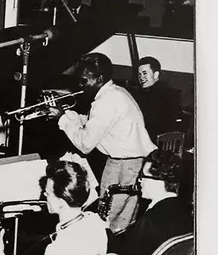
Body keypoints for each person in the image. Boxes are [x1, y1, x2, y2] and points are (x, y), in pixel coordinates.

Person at [50, 53, 156, 234]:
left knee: (109, 222)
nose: (80, 85)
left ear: (99, 79)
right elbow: (97, 124)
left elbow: (85, 144)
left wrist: (62, 119)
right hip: (132, 163)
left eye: (84, 81)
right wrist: (69, 116)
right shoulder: (116, 92)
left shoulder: (106, 101)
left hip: (123, 166)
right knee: (122, 222)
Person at [108, 149, 193, 255]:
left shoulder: (150, 220)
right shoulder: (184, 209)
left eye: (143, 176)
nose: (139, 181)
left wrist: (105, 232)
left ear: (159, 181)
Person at [130, 56, 181, 142]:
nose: (141, 77)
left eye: (144, 73)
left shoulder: (164, 94)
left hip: (155, 141)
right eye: (139, 74)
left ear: (156, 74)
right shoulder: (145, 91)